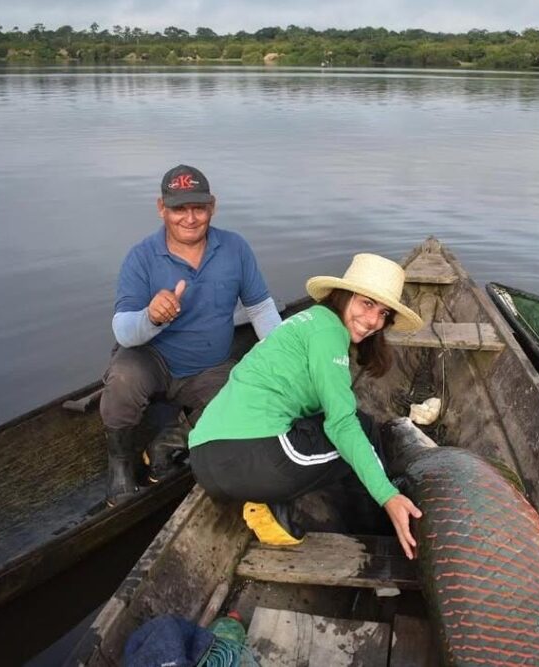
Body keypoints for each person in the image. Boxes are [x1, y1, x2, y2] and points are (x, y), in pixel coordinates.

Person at [188, 253, 426, 559]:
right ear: (343, 295)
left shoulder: (304, 322)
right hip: (257, 458)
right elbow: (341, 424)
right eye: (367, 304)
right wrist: (388, 495)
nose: (373, 322)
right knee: (362, 431)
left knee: (337, 425)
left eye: (383, 314)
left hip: (205, 460)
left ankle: (274, 499)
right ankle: (380, 533)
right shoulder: (328, 332)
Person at [101, 165, 281, 506]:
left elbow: (259, 309)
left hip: (210, 366)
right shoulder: (141, 257)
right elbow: (124, 330)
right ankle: (120, 463)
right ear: (161, 208)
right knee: (122, 378)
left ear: (212, 206)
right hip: (152, 361)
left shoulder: (234, 248)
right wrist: (151, 317)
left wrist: (280, 356)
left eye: (198, 208)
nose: (190, 218)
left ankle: (168, 441)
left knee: (256, 406)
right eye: (179, 209)